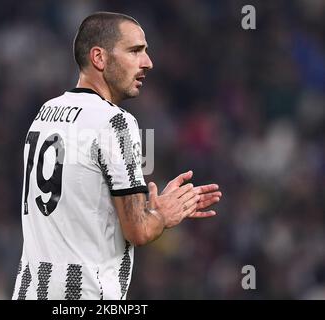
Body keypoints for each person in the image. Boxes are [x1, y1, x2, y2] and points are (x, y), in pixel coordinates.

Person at [12, 11, 222, 300]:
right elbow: (138, 230)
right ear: (99, 58)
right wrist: (162, 214)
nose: (148, 62)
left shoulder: (45, 113)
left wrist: (151, 209)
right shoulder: (115, 122)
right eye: (135, 51)